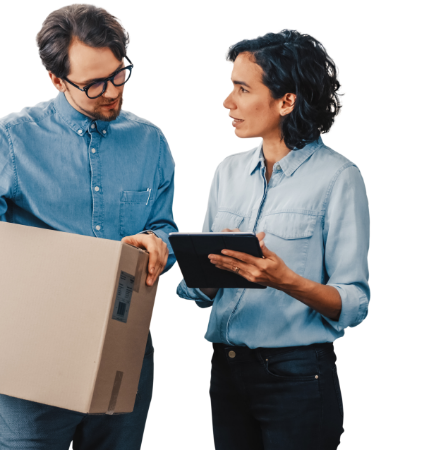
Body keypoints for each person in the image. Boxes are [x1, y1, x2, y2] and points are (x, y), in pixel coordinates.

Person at [0, 4, 179, 449]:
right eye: (92, 84)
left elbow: (163, 225)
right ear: (55, 79)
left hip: (124, 354)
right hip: (34, 360)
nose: (111, 92)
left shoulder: (151, 144)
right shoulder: (11, 140)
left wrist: (159, 241)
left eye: (119, 75)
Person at [175, 28, 371, 450]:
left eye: (243, 89)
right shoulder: (226, 173)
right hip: (227, 372)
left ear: (286, 101)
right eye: (231, 87)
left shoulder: (339, 177)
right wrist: (208, 269)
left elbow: (353, 303)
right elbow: (199, 292)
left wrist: (285, 280)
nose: (228, 103)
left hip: (297, 377)